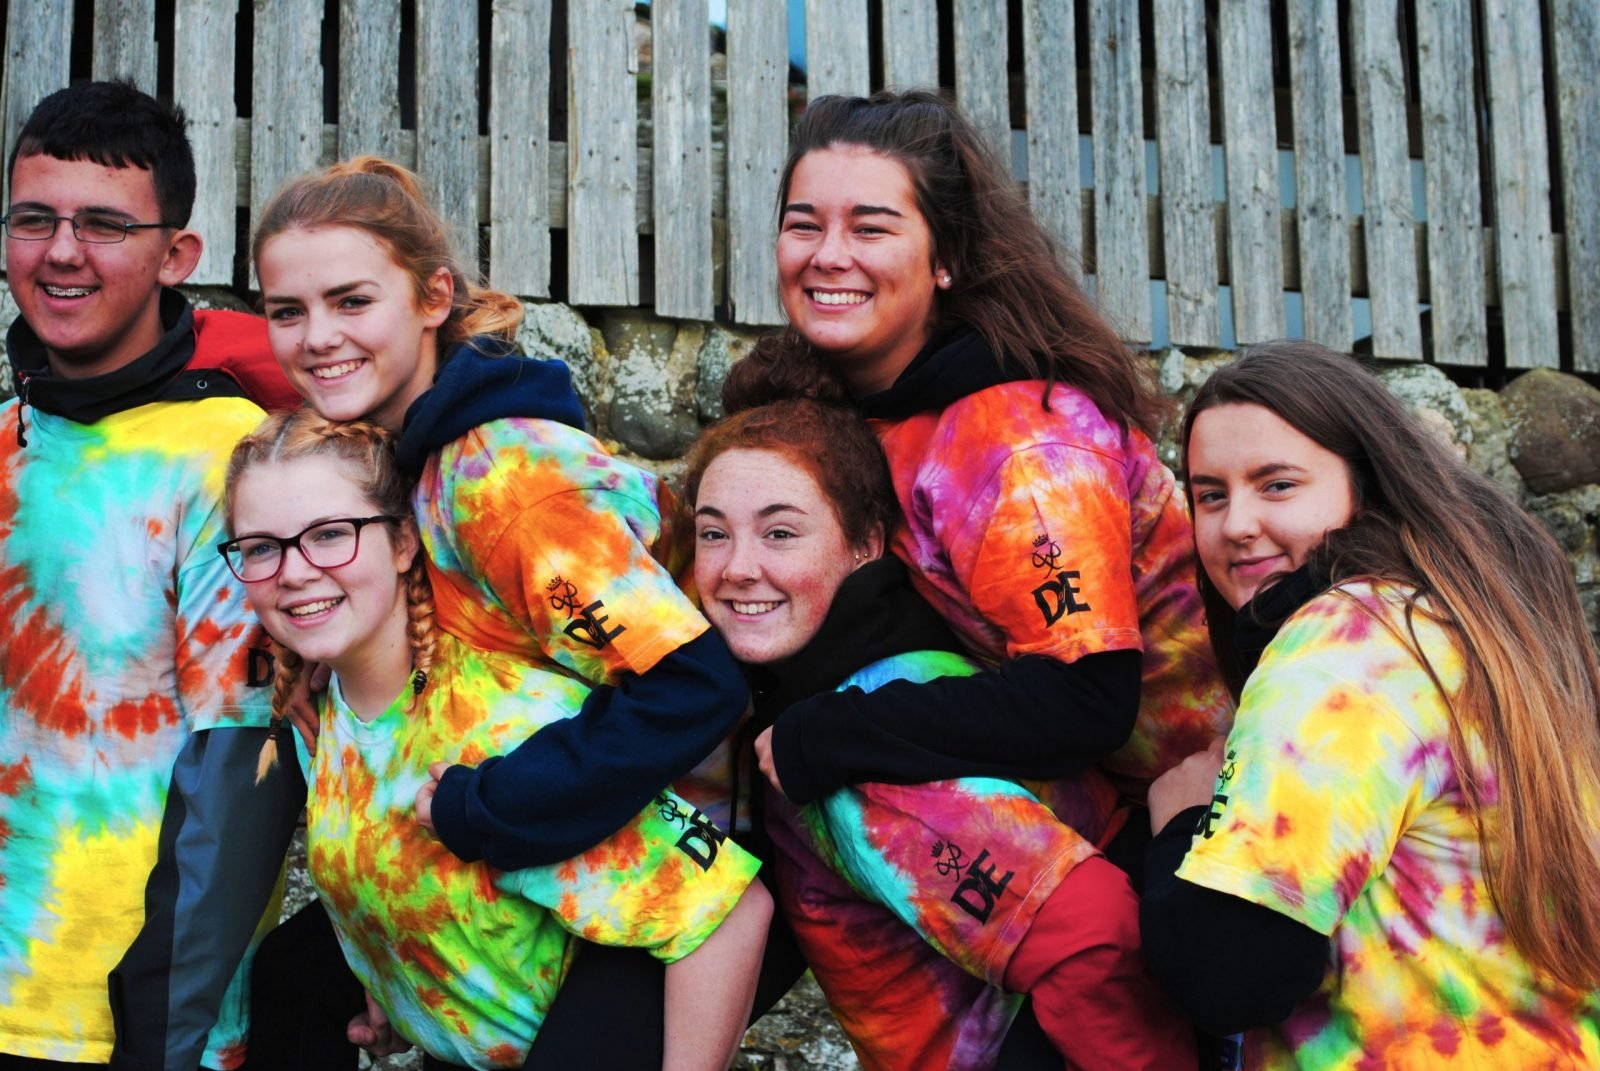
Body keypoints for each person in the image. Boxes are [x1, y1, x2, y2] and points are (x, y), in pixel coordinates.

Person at [720, 89, 1232, 1062]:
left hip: (1207, 838)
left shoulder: (1015, 436)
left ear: (944, 256)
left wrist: (836, 733)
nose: (828, 254)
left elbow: (1085, 694)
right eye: (803, 224)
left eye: (870, 226)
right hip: (1084, 824)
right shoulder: (864, 411)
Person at [245, 156, 760, 1067]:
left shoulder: (503, 477)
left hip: (659, 865)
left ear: (434, 296)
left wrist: (492, 807)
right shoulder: (395, 449)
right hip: (529, 858)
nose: (317, 337)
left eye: (351, 301)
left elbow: (689, 684)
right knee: (291, 980)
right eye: (288, 311)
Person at [222, 408, 772, 1071]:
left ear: (402, 543)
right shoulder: (329, 707)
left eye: (330, 534)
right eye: (260, 547)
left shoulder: (499, 722)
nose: (294, 570)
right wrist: (396, 985)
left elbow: (732, 909)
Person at [683, 397, 1193, 1070]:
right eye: (713, 533)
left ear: (866, 544)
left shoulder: (857, 762)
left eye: (780, 533)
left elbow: (1092, 939)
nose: (738, 566)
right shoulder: (901, 675)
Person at [1141, 341, 1600, 1068]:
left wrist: (1181, 826)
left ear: (1366, 485)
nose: (1235, 524)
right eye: (1211, 494)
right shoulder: (1470, 629)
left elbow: (1231, 969)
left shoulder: (1344, 641)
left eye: (1278, 484)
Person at [0, 81, 300, 1070]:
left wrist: (162, 1036)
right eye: (34, 219)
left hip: (120, 1022)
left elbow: (240, 773)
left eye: (104, 225)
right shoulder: (9, 437)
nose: (62, 252)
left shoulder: (231, 462)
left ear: (178, 256)